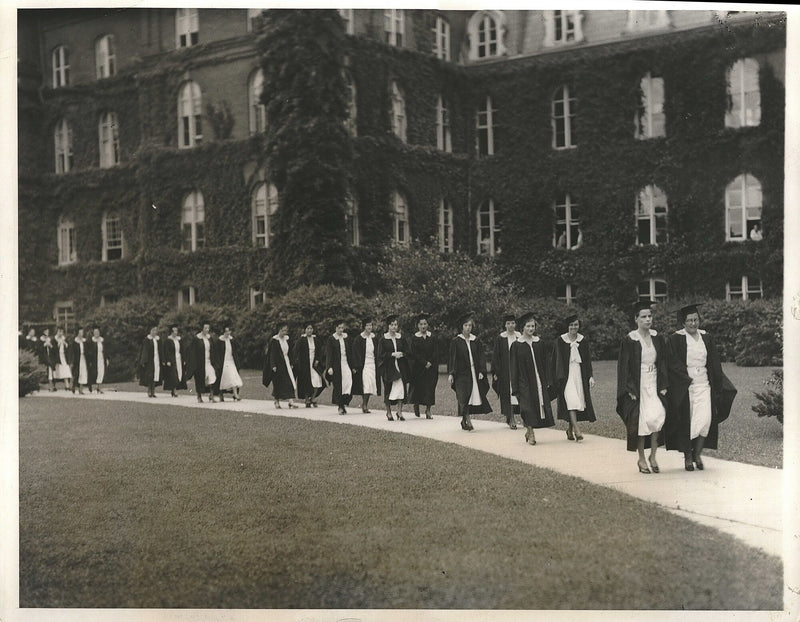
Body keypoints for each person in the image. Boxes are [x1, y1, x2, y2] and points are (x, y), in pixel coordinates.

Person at [665, 304, 738, 471]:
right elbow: (672, 362)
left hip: (704, 383)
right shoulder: (675, 339)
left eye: (696, 319)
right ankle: (688, 457)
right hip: (685, 386)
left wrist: (718, 385)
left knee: (705, 420)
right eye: (689, 320)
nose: (693, 323)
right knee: (688, 421)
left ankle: (697, 453)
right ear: (683, 322)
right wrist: (684, 378)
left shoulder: (706, 337)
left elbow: (714, 362)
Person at [616, 300, 669, 474]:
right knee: (641, 422)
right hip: (638, 386)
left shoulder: (657, 337)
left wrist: (663, 385)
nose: (648, 319)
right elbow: (625, 367)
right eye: (644, 317)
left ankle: (653, 456)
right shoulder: (630, 340)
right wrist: (630, 389)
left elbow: (662, 362)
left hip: (654, 383)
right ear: (636, 319)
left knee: (657, 418)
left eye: (650, 316)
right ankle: (641, 458)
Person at [510, 312, 555, 445]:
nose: (531, 329)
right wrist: (515, 386)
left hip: (538, 380)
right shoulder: (516, 345)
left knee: (536, 406)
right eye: (528, 326)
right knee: (526, 407)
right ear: (522, 328)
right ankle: (531, 433)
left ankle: (529, 430)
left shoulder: (539, 343)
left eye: (533, 326)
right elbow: (514, 367)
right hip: (524, 381)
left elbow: (546, 362)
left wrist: (548, 379)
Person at [552, 314, 596, 442]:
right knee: (571, 400)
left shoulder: (583, 341)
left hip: (579, 375)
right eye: (571, 325)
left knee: (577, 402)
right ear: (567, 326)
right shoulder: (560, 341)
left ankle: (569, 429)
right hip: (566, 376)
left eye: (576, 325)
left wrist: (590, 376)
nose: (573, 327)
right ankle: (577, 430)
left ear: (579, 326)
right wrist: (557, 378)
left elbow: (587, 361)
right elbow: (555, 360)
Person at [448, 312, 491, 431]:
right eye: (466, 325)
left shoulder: (475, 340)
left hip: (474, 372)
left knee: (472, 396)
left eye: (470, 326)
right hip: (461, 374)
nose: (468, 328)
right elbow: (452, 358)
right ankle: (468, 420)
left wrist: (482, 371)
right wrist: (451, 373)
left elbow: (481, 357)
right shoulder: (456, 341)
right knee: (463, 396)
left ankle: (464, 420)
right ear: (461, 327)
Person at [377, 314, 410, 421]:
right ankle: (389, 412)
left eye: (396, 325)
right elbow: (380, 355)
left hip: (400, 366)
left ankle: (399, 412)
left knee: (401, 389)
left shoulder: (401, 337)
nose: (394, 327)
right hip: (388, 368)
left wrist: (402, 354)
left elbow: (408, 351)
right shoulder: (383, 339)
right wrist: (391, 355)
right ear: (388, 326)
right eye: (392, 325)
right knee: (389, 389)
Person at [492, 313, 521, 429]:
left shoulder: (519, 336)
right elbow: (496, 356)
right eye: (508, 323)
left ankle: (515, 416)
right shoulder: (501, 338)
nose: (511, 326)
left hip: (518, 369)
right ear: (505, 325)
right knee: (508, 394)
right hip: (505, 371)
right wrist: (496, 372)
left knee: (519, 392)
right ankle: (511, 417)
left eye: (513, 323)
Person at [409, 313, 438, 419]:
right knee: (418, 387)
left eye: (425, 324)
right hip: (419, 367)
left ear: (428, 325)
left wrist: (430, 362)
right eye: (421, 324)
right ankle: (416, 404)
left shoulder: (432, 337)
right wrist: (424, 362)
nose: (423, 326)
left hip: (431, 367)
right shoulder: (414, 338)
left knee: (430, 388)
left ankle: (428, 410)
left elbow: (435, 351)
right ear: (418, 325)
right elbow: (415, 353)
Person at [325, 320, 355, 415]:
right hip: (336, 365)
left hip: (346, 364)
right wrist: (329, 367)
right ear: (335, 328)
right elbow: (329, 354)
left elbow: (350, 352)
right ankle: (340, 406)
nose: (341, 330)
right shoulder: (332, 339)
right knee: (339, 386)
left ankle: (344, 402)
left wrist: (353, 366)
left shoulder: (347, 338)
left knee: (348, 383)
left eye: (342, 328)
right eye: (339, 328)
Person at [293, 323, 326, 408]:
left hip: (314, 364)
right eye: (308, 328)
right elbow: (296, 351)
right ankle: (307, 399)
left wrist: (318, 360)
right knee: (306, 382)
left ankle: (313, 398)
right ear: (305, 330)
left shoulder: (316, 339)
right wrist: (297, 362)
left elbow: (319, 351)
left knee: (317, 380)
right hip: (305, 364)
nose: (309, 330)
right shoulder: (301, 340)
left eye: (311, 328)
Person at [350, 319, 380, 413]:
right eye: (367, 325)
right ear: (364, 327)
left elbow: (378, 351)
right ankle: (365, 405)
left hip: (373, 364)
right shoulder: (359, 339)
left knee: (370, 384)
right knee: (366, 384)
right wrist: (356, 366)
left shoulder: (375, 338)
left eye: (370, 325)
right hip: (364, 364)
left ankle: (365, 403)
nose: (369, 327)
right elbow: (355, 353)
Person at [266, 323, 297, 408]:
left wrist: (291, 363)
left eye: (285, 330)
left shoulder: (287, 339)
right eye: (283, 330)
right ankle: (276, 401)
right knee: (278, 383)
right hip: (278, 364)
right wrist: (273, 365)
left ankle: (291, 401)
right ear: (279, 330)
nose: (284, 332)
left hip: (286, 362)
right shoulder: (274, 340)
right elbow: (272, 354)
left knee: (290, 381)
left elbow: (290, 352)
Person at [189, 323, 218, 403]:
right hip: (200, 363)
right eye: (205, 328)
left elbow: (213, 350)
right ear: (202, 329)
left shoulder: (209, 338)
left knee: (212, 377)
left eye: (208, 328)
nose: (207, 330)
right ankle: (199, 396)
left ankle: (211, 395)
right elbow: (193, 352)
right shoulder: (197, 338)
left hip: (209, 361)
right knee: (200, 379)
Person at [216, 326, 244, 402]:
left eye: (229, 331)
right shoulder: (219, 341)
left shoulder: (232, 340)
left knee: (233, 377)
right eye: (226, 331)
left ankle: (235, 394)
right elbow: (217, 353)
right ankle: (221, 394)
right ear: (223, 332)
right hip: (223, 362)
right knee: (223, 379)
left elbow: (236, 350)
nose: (228, 333)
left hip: (231, 361)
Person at [138, 326, 163, 398]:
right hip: (150, 360)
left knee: (156, 375)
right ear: (150, 331)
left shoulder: (158, 340)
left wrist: (162, 359)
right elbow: (144, 350)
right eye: (153, 330)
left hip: (157, 359)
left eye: (155, 330)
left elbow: (160, 350)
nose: (154, 332)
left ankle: (153, 391)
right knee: (150, 375)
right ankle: (149, 390)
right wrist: (144, 360)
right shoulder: (147, 340)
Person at [162, 325, 187, 397]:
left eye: (176, 331)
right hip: (172, 359)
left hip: (179, 358)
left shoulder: (179, 339)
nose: (176, 332)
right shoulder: (168, 340)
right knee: (173, 374)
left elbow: (182, 350)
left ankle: (176, 389)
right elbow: (167, 351)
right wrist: (167, 361)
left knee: (179, 373)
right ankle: (173, 390)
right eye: (174, 331)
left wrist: (184, 359)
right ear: (171, 332)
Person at [89, 327, 109, 393]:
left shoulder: (102, 340)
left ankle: (99, 387)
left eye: (97, 332)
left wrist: (107, 359)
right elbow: (90, 351)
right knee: (93, 373)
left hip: (101, 358)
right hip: (94, 359)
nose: (96, 333)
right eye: (95, 332)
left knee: (101, 372)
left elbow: (105, 350)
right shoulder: (91, 340)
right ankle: (90, 386)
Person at [52, 327, 73, 391]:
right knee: (55, 372)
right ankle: (53, 386)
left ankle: (67, 386)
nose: (60, 333)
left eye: (61, 332)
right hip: (56, 358)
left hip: (63, 357)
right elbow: (52, 349)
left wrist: (65, 344)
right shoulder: (54, 339)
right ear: (57, 332)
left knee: (65, 370)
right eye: (59, 332)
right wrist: (58, 344)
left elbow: (68, 347)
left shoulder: (64, 339)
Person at [71, 327, 90, 394]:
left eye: (82, 332)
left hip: (83, 358)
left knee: (83, 373)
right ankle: (73, 386)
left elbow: (87, 351)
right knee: (77, 373)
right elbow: (72, 352)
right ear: (77, 333)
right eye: (80, 333)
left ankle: (80, 389)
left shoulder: (85, 341)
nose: (81, 334)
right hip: (77, 360)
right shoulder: (75, 342)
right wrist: (72, 361)